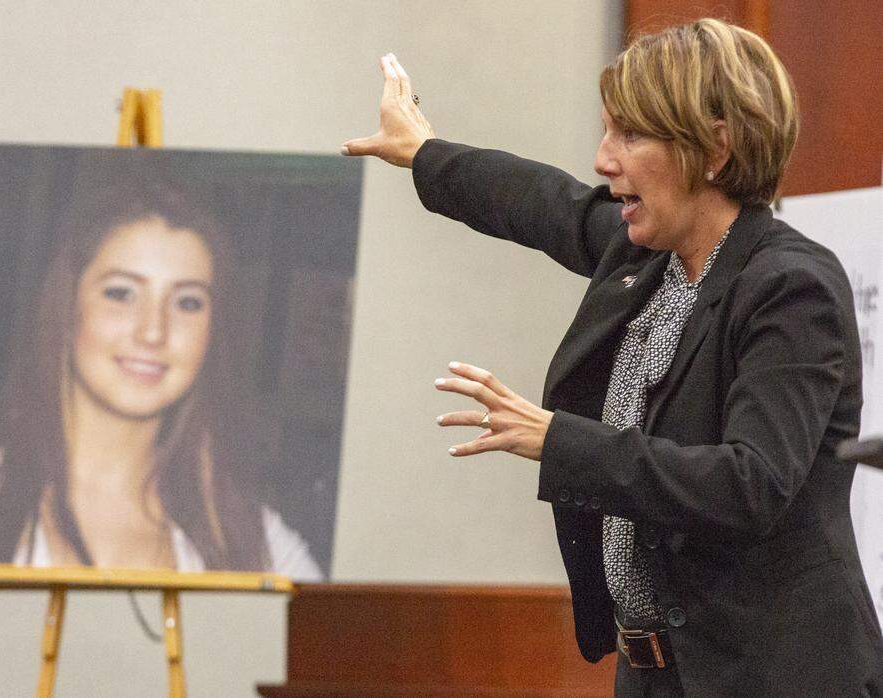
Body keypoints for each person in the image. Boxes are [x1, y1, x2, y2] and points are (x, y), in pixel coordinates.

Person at [343, 19, 883, 695]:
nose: (603, 160)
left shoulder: (788, 286)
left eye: (630, 135)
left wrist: (561, 441)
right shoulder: (644, 258)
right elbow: (542, 204)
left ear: (714, 146)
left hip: (774, 676)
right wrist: (424, 152)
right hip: (658, 675)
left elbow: (750, 484)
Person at [0, 183, 323, 581]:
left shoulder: (253, 542)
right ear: (67, 309)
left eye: (188, 302)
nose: (153, 331)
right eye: (120, 294)